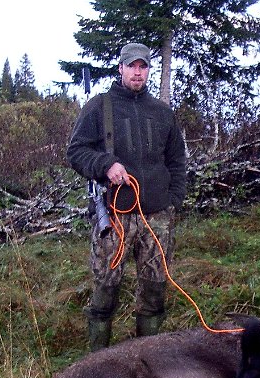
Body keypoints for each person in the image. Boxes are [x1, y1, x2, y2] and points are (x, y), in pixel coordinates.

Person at [67, 43, 187, 350]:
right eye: (131, 66)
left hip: (157, 218)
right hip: (116, 216)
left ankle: (147, 362)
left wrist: (173, 200)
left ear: (148, 70)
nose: (137, 72)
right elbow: (76, 152)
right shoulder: (99, 107)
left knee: (155, 293)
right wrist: (105, 166)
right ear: (120, 68)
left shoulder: (162, 113)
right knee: (105, 291)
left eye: (143, 66)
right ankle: (98, 364)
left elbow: (176, 161)